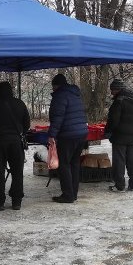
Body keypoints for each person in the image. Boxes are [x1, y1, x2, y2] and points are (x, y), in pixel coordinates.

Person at [0, 81, 30, 210]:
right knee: (17, 172)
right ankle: (16, 201)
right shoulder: (20, 103)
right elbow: (27, 124)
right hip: (16, 143)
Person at [48, 73, 88, 203]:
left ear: (56, 85)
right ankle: (73, 193)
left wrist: (52, 135)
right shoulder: (76, 95)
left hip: (68, 135)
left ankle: (67, 195)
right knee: (74, 163)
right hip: (81, 134)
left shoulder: (60, 97)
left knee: (64, 164)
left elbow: (57, 118)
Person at [105, 79, 133, 193]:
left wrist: (108, 131)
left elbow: (113, 120)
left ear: (116, 90)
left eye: (112, 90)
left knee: (119, 161)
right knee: (132, 161)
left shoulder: (119, 101)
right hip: (132, 135)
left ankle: (120, 185)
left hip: (119, 136)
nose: (111, 93)